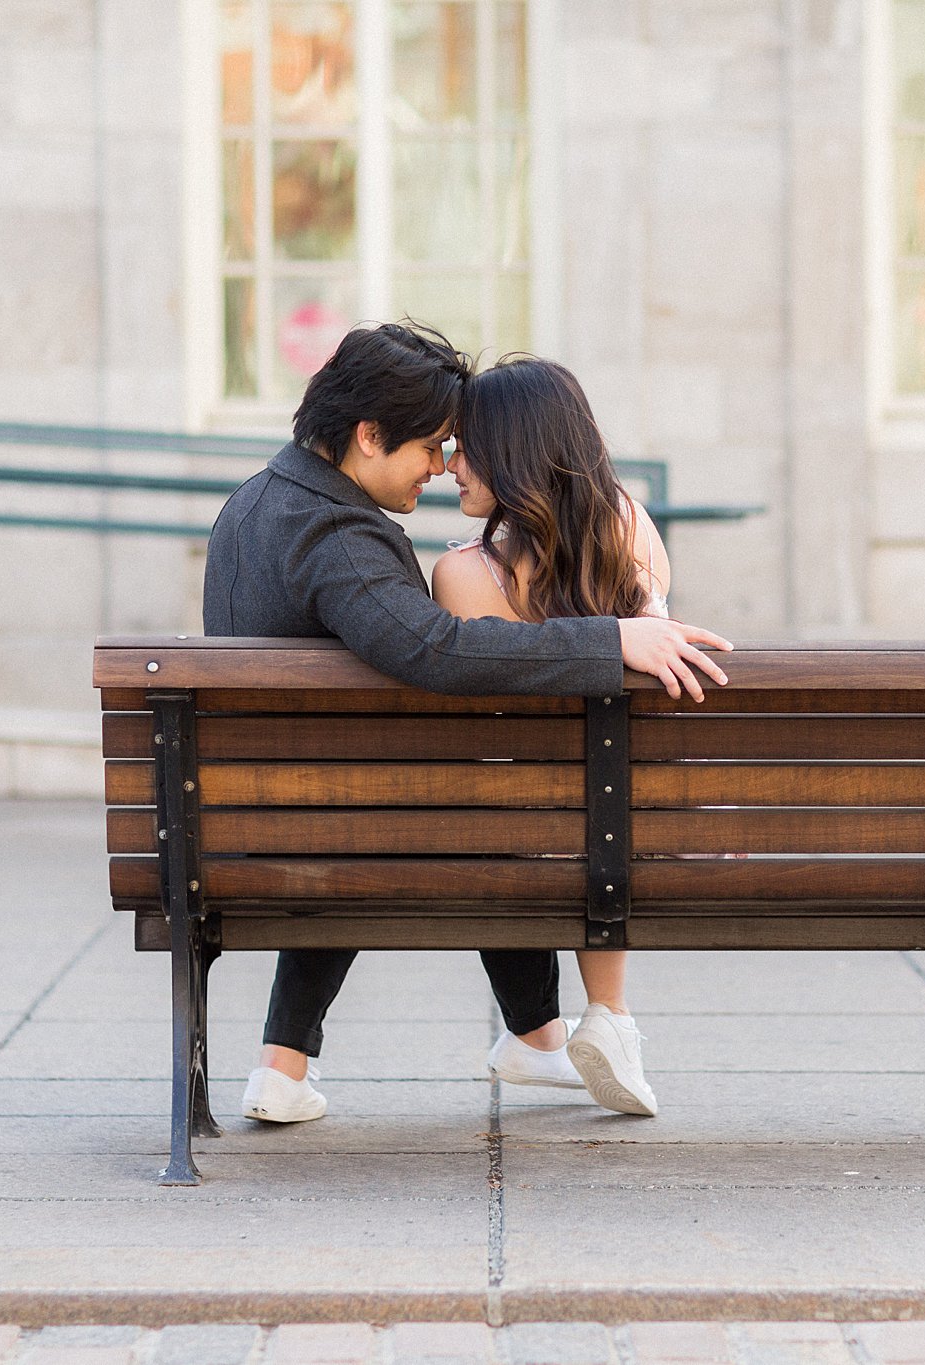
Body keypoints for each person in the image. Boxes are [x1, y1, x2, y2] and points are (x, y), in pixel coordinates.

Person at [203, 322, 732, 1125]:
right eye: (431, 446)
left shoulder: (251, 505)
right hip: (319, 824)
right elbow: (439, 649)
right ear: (369, 435)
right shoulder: (338, 538)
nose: (439, 467)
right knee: (487, 809)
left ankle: (290, 1062)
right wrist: (611, 637)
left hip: (256, 815)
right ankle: (541, 1033)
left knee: (451, 798)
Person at [431, 357, 670, 1117]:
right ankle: (612, 1014)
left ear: (513, 451)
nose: (449, 464)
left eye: (464, 445)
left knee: (509, 811)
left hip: (517, 829)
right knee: (606, 797)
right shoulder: (631, 529)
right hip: (632, 821)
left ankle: (538, 1034)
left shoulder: (461, 575)